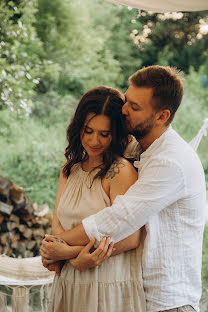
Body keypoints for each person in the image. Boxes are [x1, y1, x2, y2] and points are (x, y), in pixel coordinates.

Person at [41, 65, 206, 312]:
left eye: (135, 107)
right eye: (127, 101)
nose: (124, 110)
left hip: (168, 300)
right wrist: (59, 250)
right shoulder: (139, 148)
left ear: (162, 116)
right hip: (142, 292)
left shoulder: (170, 161)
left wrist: (58, 248)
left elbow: (118, 219)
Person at [41, 86, 146, 311]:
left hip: (106, 283)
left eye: (104, 134)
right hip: (68, 280)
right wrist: (53, 249)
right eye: (88, 130)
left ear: (116, 134)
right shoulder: (69, 169)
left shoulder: (121, 171)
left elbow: (132, 237)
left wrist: (68, 253)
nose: (94, 140)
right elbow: (59, 222)